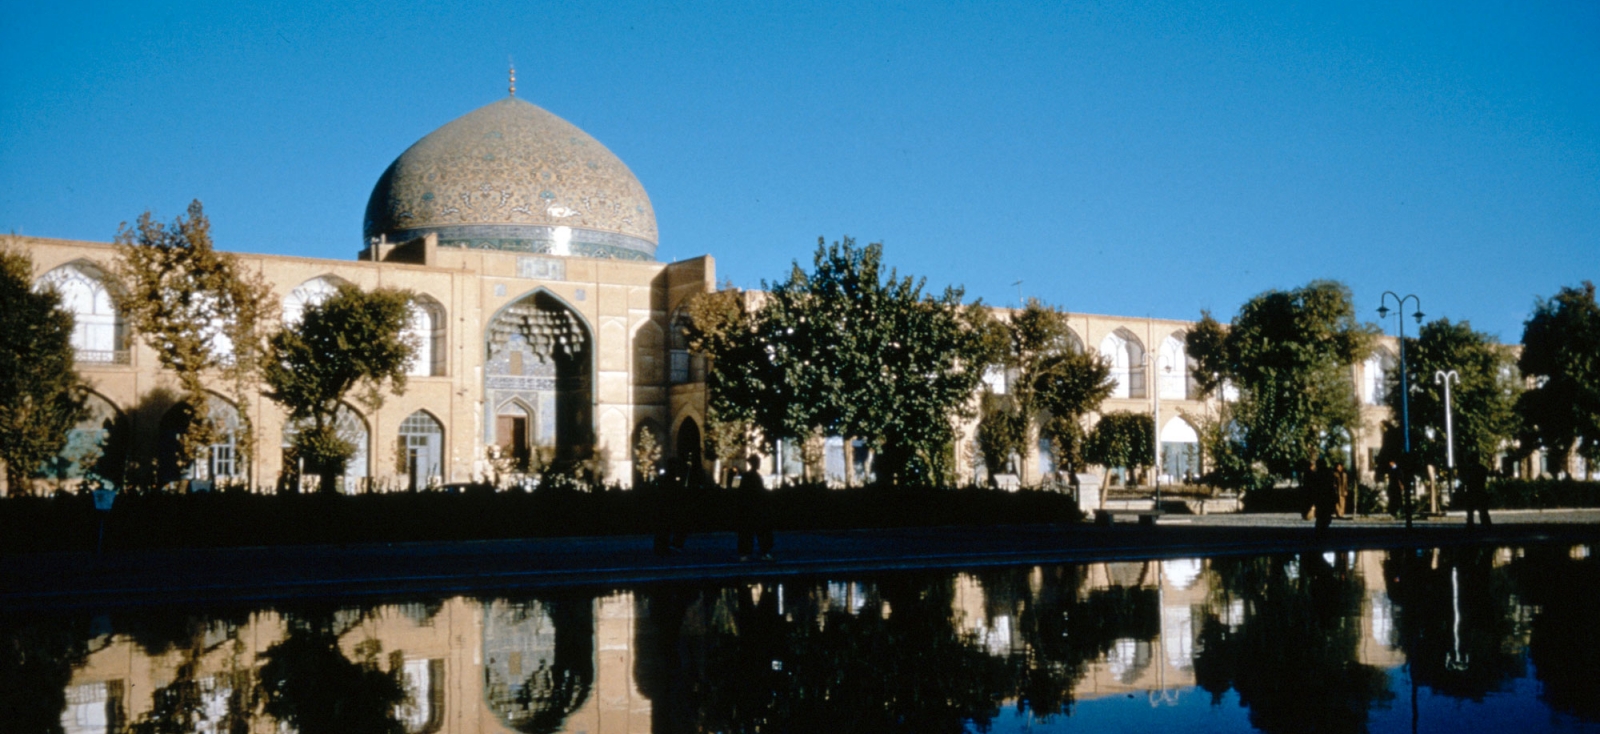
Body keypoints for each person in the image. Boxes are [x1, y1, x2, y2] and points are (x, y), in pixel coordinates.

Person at [736, 455, 774, 561]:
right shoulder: (754, 476)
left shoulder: (748, 476)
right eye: (758, 462)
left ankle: (745, 553)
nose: (759, 464)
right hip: (755, 508)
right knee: (761, 531)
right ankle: (763, 552)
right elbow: (758, 492)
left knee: (748, 532)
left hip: (749, 508)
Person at [1460, 460, 1494, 529]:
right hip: (1480, 490)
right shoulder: (1482, 468)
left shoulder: (1469, 469)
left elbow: (1465, 480)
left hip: (1471, 491)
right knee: (1483, 510)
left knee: (1470, 511)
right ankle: (1486, 524)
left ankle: (1470, 524)